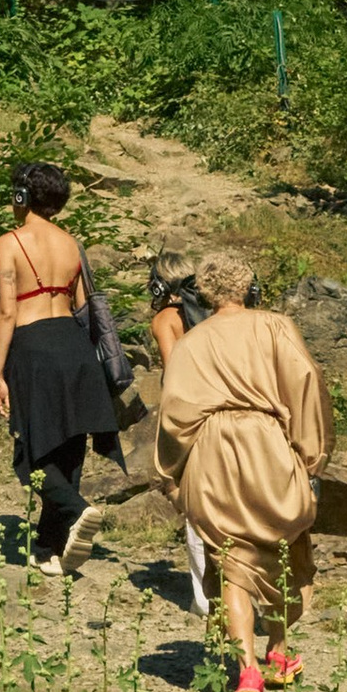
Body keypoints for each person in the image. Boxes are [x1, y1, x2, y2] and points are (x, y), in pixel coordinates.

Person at [152, 249, 333, 692]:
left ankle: (248, 670)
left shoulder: (193, 341)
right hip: (268, 439)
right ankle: (279, 650)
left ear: (204, 291)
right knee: (283, 543)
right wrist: (311, 454)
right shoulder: (274, 326)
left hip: (213, 447)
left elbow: (174, 412)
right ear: (248, 285)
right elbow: (305, 382)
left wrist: (172, 472)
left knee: (230, 559)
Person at [0, 163, 122, 576]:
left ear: (22, 197)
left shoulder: (9, 242)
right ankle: (51, 547)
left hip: (34, 347)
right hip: (74, 347)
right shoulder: (71, 244)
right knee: (67, 447)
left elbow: (7, 311)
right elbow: (82, 305)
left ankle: (77, 509)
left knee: (32, 452)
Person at [147, 255, 215, 616]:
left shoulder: (165, 320)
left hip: (190, 418)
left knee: (193, 504)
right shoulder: (215, 313)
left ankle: (205, 597)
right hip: (226, 412)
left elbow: (175, 374)